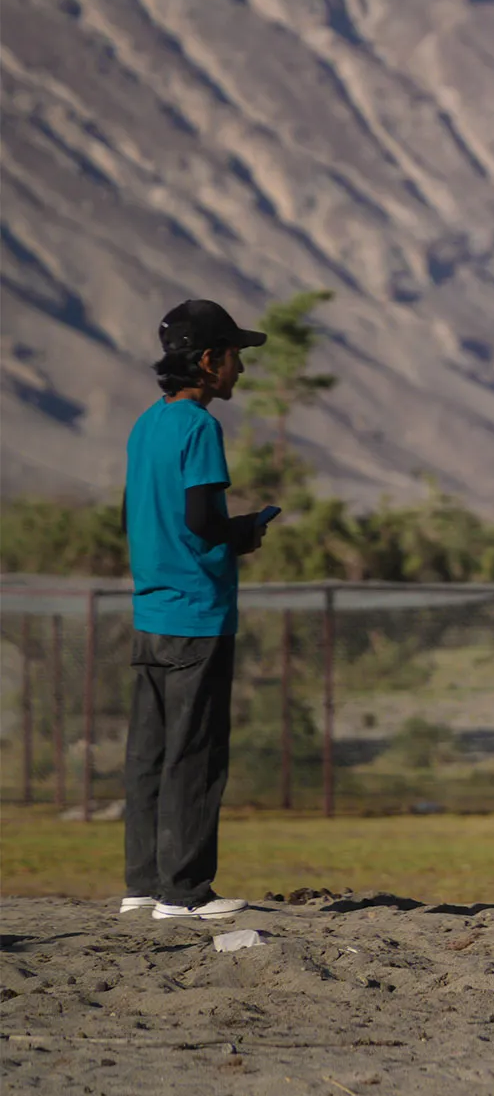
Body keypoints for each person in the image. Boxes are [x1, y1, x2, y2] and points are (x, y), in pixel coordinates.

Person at [118, 299, 275, 923]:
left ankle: (143, 885)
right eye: (234, 356)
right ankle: (184, 890)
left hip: (150, 610)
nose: (240, 369)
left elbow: (143, 515)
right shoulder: (199, 428)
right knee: (197, 751)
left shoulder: (145, 424)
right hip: (197, 613)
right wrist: (246, 533)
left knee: (149, 752)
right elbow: (202, 522)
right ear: (208, 361)